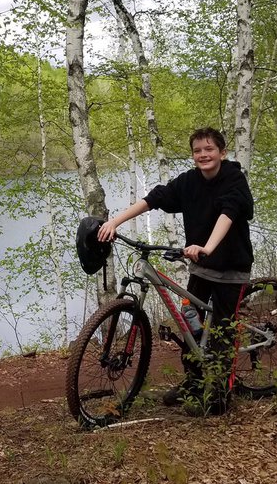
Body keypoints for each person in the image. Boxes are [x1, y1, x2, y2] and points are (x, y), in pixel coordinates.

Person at [96, 126, 253, 415]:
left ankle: (219, 397)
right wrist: (115, 222)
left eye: (209, 149)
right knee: (190, 325)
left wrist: (207, 246)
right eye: (197, 150)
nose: (203, 155)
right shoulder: (189, 181)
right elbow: (155, 198)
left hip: (231, 267)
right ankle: (194, 383)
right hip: (202, 267)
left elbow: (228, 214)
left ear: (222, 152)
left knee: (222, 331)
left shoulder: (234, 180)